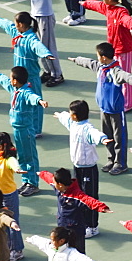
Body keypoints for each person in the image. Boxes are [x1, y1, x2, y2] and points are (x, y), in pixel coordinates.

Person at [69, 44, 132, 176]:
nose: (96, 59)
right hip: (104, 110)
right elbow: (88, 62)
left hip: (116, 111)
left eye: (98, 56)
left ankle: (120, 163)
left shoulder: (115, 71)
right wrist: (76, 59)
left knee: (119, 137)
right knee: (107, 136)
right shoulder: (100, 68)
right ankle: (111, 159)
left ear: (103, 57)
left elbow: (127, 76)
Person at [80, 0, 132, 110]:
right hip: (114, 49)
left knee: (124, 76)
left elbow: (128, 20)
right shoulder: (107, 8)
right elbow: (96, 5)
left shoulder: (120, 12)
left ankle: (127, 104)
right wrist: (85, 3)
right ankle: (120, 100)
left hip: (124, 49)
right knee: (116, 75)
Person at [55, 101, 111, 239]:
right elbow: (66, 119)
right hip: (77, 167)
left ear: (75, 115)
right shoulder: (73, 124)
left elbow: (95, 133)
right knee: (78, 195)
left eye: (70, 113)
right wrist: (60, 115)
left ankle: (92, 226)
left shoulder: (86, 128)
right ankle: (83, 223)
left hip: (88, 169)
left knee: (89, 197)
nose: (69, 115)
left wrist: (102, 139)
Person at [0, 67, 48, 191]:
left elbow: (32, 97)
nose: (10, 80)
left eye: (11, 78)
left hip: (26, 130)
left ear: (15, 81)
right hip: (17, 129)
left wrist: (40, 101)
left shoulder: (26, 92)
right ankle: (26, 181)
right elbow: (5, 80)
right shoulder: (14, 89)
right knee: (21, 156)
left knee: (30, 156)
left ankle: (33, 183)